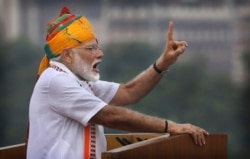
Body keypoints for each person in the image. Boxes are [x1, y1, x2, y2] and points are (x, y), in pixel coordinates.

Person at [27, 6, 209, 159]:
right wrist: (172, 127)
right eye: (91, 48)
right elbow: (113, 116)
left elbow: (129, 92)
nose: (100, 54)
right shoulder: (56, 80)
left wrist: (163, 63)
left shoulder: (79, 82)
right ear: (67, 55)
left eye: (98, 47)